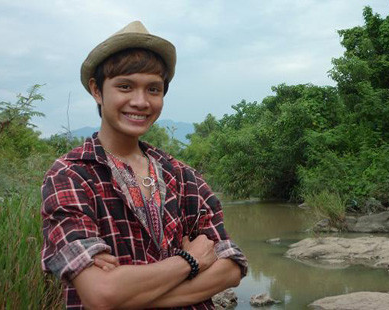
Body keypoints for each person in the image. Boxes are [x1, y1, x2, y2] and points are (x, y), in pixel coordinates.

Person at [41, 21, 247, 309]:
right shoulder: (71, 175)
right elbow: (101, 293)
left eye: (153, 89)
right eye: (125, 86)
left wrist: (129, 295)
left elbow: (232, 267)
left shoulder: (183, 176)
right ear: (97, 90)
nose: (140, 102)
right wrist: (190, 260)